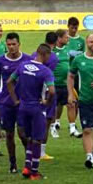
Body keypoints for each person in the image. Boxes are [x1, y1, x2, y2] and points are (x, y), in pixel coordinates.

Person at [7, 44, 55, 181]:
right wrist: (47, 102)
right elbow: (52, 91)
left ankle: (27, 167)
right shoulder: (46, 71)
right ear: (46, 55)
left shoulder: (23, 65)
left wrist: (15, 100)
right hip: (37, 108)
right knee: (37, 139)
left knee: (28, 138)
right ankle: (34, 172)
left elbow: (9, 81)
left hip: (23, 106)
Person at [0, 32, 31, 173]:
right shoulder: (0, 61)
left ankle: (29, 162)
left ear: (19, 44)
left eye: (14, 44)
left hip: (23, 102)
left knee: (23, 134)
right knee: (9, 134)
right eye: (8, 44)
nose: (11, 47)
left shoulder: (27, 59)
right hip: (6, 103)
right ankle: (13, 163)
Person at [68, 34, 93, 169]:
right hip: (85, 101)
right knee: (87, 130)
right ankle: (89, 157)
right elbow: (71, 76)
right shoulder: (78, 59)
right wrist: (71, 93)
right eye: (91, 41)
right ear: (86, 43)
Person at [32, 32, 59, 160]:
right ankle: (41, 151)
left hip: (31, 92)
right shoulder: (53, 58)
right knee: (47, 121)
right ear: (57, 40)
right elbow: (47, 76)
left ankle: (31, 150)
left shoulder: (34, 53)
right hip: (45, 92)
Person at [51, 29, 79, 139]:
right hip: (54, 84)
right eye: (66, 37)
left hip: (66, 84)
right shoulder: (52, 51)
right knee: (53, 106)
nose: (68, 39)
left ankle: (72, 128)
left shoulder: (67, 50)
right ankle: (53, 127)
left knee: (71, 104)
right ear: (59, 38)